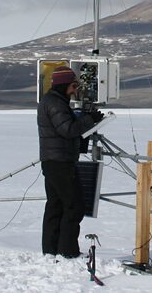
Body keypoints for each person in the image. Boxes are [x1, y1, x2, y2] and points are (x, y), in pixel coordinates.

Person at [37, 66, 103, 258]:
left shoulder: (52, 101)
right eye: (73, 86)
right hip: (60, 162)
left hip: (54, 160)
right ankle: (67, 251)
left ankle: (51, 250)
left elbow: (67, 128)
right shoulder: (55, 103)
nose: (75, 90)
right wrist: (88, 120)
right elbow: (68, 130)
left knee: (56, 205)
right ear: (64, 85)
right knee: (74, 206)